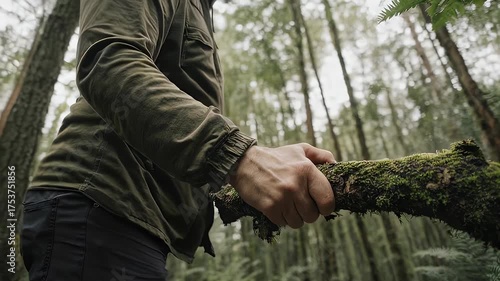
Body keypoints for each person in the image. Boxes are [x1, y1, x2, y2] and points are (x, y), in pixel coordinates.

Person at [20, 0, 335, 280]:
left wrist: (250, 175)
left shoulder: (200, 10)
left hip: (134, 221)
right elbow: (108, 62)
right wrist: (240, 158)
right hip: (99, 204)